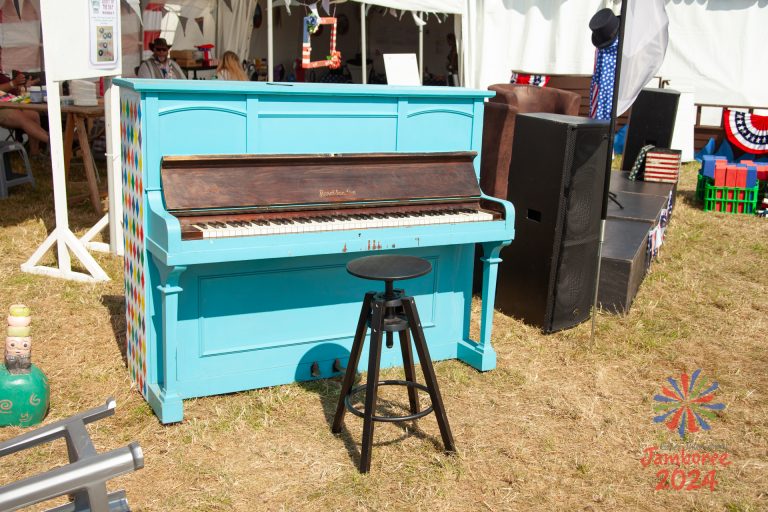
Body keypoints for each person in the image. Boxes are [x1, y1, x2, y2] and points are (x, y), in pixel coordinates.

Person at [0, 72, 49, 157]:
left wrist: (22, 86)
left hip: (12, 103)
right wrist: (13, 83)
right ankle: (55, 143)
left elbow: (9, 91)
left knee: (34, 115)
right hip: (2, 107)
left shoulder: (2, 74)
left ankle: (34, 153)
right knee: (23, 119)